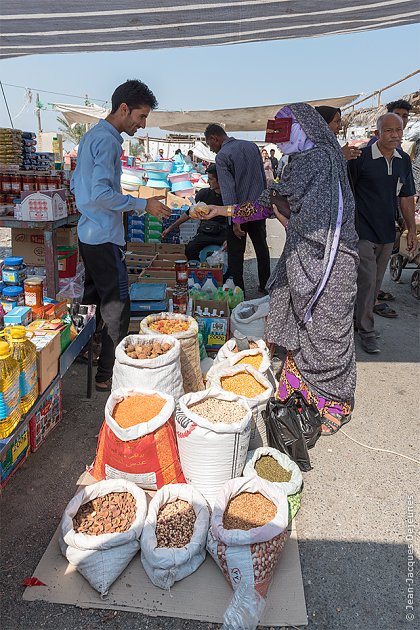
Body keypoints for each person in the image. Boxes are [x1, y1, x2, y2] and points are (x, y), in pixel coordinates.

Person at [202, 103, 359, 436]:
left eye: (284, 129)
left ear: (303, 129)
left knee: (327, 329)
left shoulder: (323, 160)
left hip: (331, 260)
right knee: (293, 314)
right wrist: (221, 209)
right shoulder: (298, 161)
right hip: (302, 252)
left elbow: (322, 220)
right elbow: (266, 201)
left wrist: (286, 217)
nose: (279, 137)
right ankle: (301, 387)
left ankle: (333, 398)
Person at [71, 79, 171, 391]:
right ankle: (106, 375)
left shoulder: (92, 136)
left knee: (89, 297)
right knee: (117, 305)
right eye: (141, 117)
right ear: (124, 109)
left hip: (89, 231)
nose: (142, 125)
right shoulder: (109, 141)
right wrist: (143, 204)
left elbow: (80, 185)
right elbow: (101, 193)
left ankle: (78, 349)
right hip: (102, 234)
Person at [348, 113, 416, 353]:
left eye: (398, 130)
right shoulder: (360, 158)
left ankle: (357, 322)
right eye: (388, 130)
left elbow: (406, 197)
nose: (395, 135)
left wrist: (412, 231)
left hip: (387, 230)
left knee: (375, 282)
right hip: (361, 230)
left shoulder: (403, 160)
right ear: (377, 134)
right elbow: (345, 193)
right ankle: (367, 331)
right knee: (367, 280)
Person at [204, 123, 270, 292]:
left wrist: (234, 220)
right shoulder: (252, 146)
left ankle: (238, 291)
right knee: (261, 247)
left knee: (236, 253)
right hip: (258, 207)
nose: (211, 149)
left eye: (210, 144)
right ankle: (266, 285)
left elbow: (228, 190)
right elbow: (262, 178)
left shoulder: (222, 156)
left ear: (214, 138)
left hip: (238, 210)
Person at [161, 164, 227, 260]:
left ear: (220, 180)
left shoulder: (229, 197)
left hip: (223, 233)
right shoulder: (203, 194)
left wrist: (230, 239)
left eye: (211, 179)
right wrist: (170, 228)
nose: (208, 182)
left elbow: (236, 218)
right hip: (206, 233)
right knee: (190, 249)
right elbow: (189, 213)